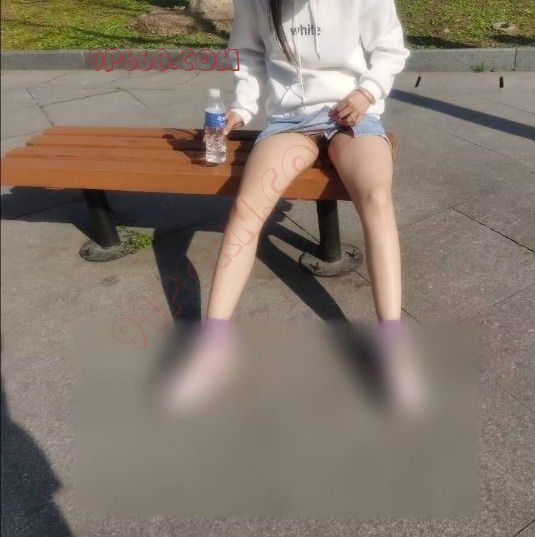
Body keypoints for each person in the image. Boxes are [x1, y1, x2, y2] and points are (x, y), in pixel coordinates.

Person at [166, 0, 411, 410]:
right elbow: (249, 56)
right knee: (247, 207)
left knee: (376, 197)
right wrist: (241, 109)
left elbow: (390, 49)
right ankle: (213, 346)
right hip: (290, 122)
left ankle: (393, 346)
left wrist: (366, 92)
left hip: (352, 115)